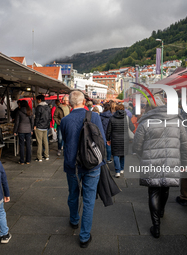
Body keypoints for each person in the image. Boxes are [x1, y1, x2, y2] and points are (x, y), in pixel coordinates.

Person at [133, 99, 187, 239]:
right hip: (172, 160)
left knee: (153, 191)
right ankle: (161, 210)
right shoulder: (177, 121)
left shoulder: (145, 122)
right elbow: (185, 144)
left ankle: (156, 226)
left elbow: (136, 146)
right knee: (165, 187)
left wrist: (143, 156)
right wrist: (185, 162)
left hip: (151, 161)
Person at [60, 91, 106, 248]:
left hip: (72, 165)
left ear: (70, 103)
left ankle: (74, 220)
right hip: (92, 164)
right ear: (84, 101)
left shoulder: (65, 120)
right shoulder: (95, 116)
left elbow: (65, 141)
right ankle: (84, 236)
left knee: (73, 194)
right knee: (88, 201)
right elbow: (102, 140)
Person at [106, 104, 135, 178]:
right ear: (123, 109)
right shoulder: (127, 118)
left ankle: (117, 171)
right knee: (123, 154)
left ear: (116, 109)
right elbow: (132, 127)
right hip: (125, 139)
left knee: (116, 154)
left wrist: (108, 139)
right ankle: (122, 169)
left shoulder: (112, 118)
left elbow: (108, 130)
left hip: (115, 139)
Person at [14, 100, 34, 165]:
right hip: (28, 130)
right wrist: (31, 130)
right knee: (28, 145)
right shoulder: (30, 111)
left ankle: (22, 161)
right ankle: (28, 160)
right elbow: (32, 122)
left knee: (21, 145)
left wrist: (15, 131)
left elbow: (16, 122)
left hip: (21, 130)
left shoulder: (19, 112)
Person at [34, 95, 51, 162]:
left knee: (39, 142)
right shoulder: (48, 107)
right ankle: (46, 156)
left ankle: (39, 157)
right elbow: (49, 117)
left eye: (37, 100)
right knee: (45, 141)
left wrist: (35, 125)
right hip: (46, 126)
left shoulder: (39, 107)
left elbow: (37, 117)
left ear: (40, 100)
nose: (37, 101)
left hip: (39, 126)